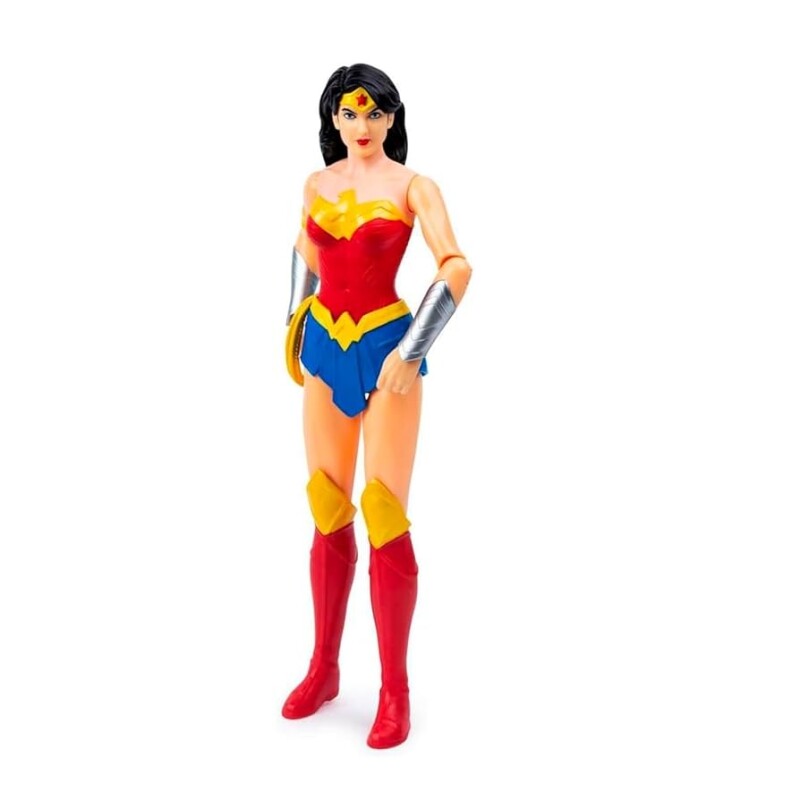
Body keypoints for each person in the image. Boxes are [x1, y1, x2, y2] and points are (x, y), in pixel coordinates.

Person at [282, 63, 472, 749]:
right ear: (332, 118)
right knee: (326, 503)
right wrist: (292, 323)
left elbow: (456, 266)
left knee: (384, 512)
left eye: (373, 112)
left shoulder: (414, 187)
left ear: (392, 117)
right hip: (324, 348)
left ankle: (396, 691)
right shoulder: (317, 184)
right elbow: (305, 252)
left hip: (389, 350)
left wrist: (412, 350)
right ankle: (324, 667)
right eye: (349, 112)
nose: (361, 125)